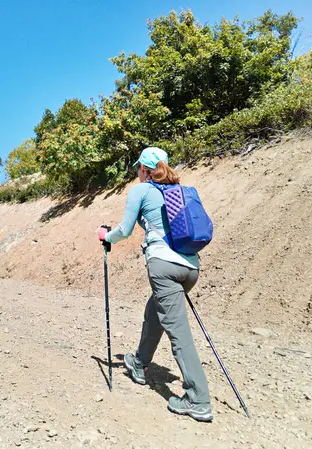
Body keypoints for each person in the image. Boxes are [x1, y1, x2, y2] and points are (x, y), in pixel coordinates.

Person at [97, 147, 212, 422]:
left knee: (178, 333)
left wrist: (105, 236)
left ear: (143, 170)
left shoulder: (141, 190)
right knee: (155, 312)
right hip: (190, 267)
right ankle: (138, 363)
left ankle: (198, 400)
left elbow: (123, 230)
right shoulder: (176, 190)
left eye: (138, 168)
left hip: (163, 267)